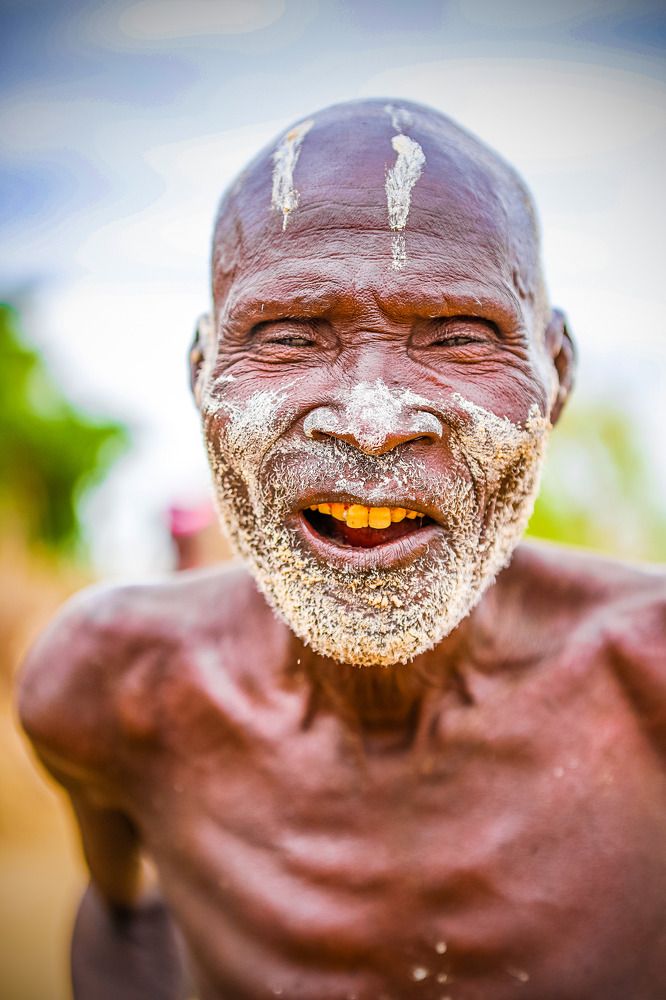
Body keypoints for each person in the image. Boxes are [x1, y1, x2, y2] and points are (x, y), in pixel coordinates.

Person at [18, 99, 666, 1000]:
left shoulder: (650, 683)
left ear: (558, 374)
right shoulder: (112, 690)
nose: (370, 421)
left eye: (458, 336)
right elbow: (120, 923)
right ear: (201, 377)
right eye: (287, 336)